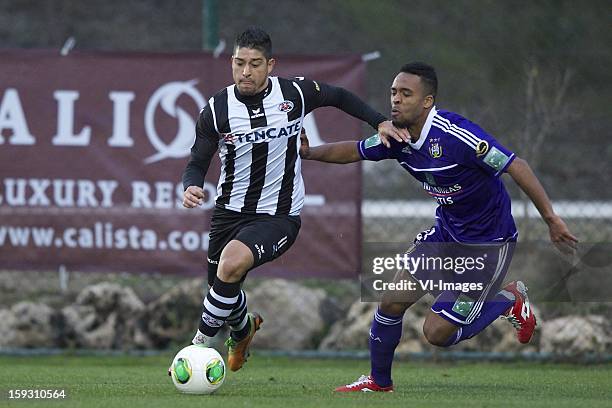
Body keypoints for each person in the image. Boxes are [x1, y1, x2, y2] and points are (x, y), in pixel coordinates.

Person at [299, 62, 578, 391]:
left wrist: (551, 219)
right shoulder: (397, 138)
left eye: (406, 94)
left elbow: (516, 165)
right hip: (445, 236)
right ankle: (378, 381)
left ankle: (508, 299)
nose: (396, 100)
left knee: (437, 334)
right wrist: (309, 153)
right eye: (393, 93)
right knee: (391, 301)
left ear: (427, 101)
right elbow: (354, 151)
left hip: (488, 245)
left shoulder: (457, 135)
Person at [180, 26, 407, 372]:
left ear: (270, 65)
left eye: (255, 64)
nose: (246, 72)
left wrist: (378, 122)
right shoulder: (216, 109)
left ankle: (196, 350)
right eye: (240, 63)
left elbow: (339, 96)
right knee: (222, 288)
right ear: (231, 62)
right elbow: (197, 161)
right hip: (228, 213)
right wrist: (190, 185)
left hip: (279, 215)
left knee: (230, 265)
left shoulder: (295, 94)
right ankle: (243, 330)